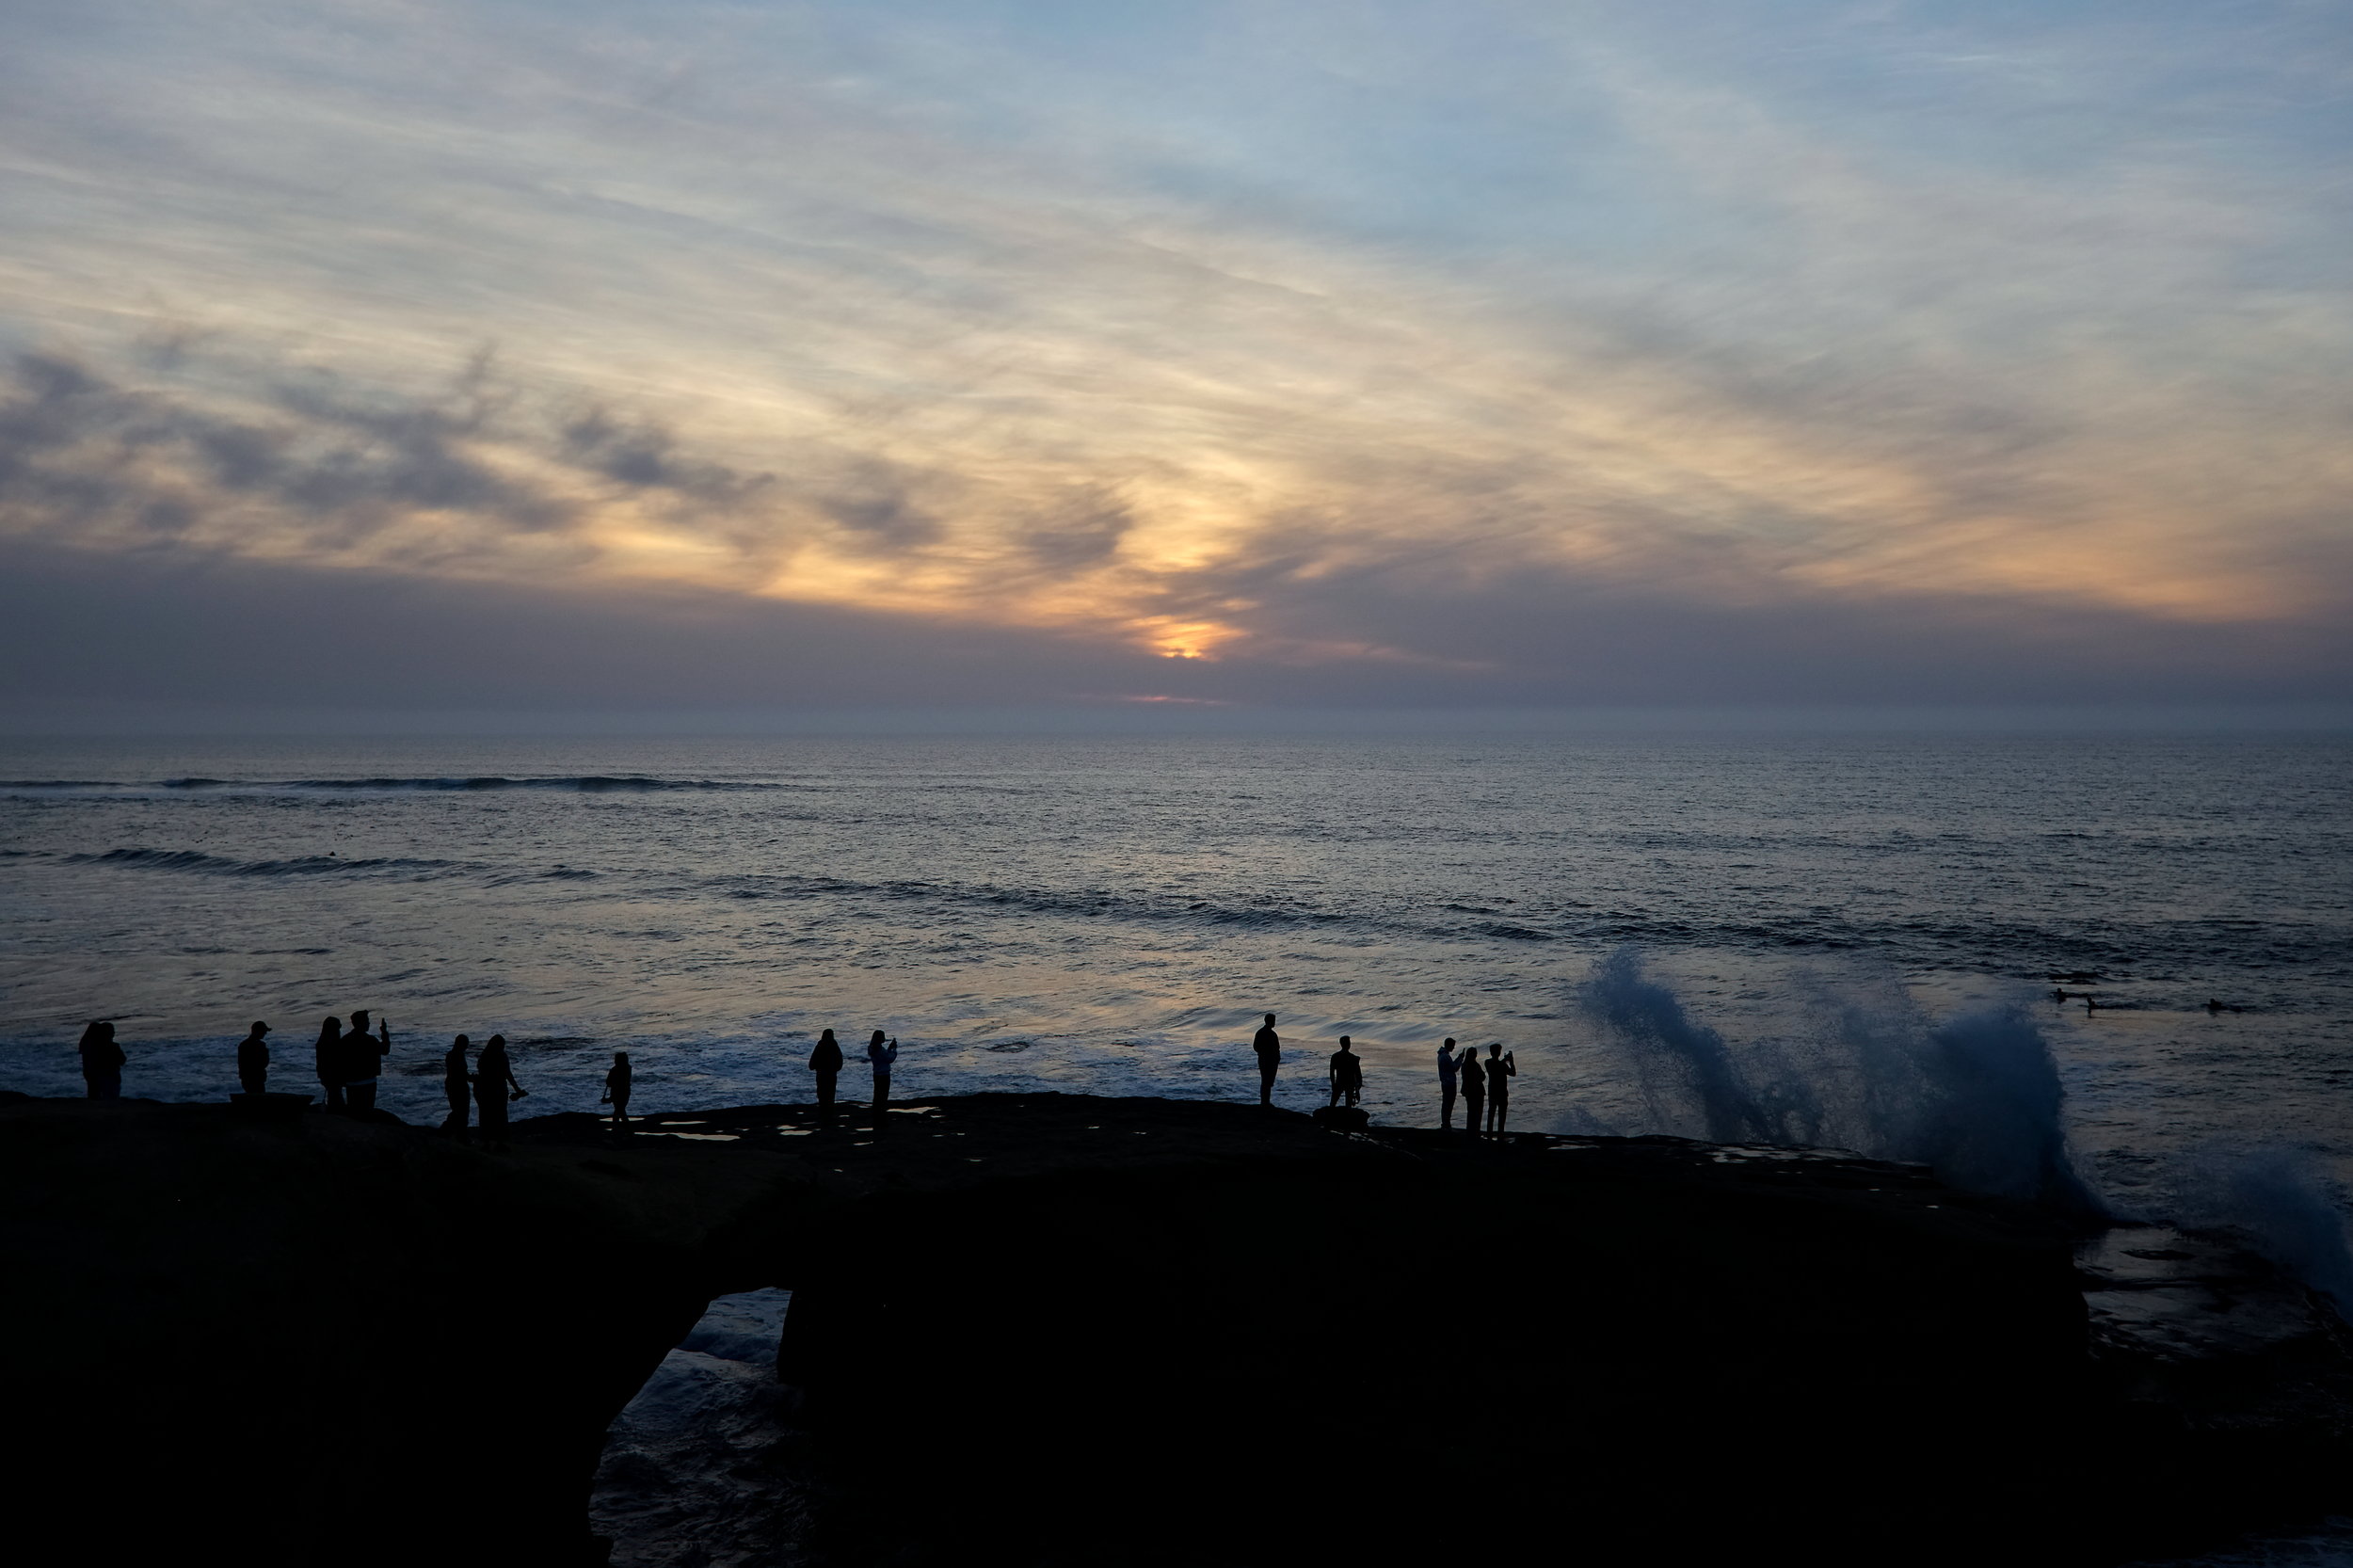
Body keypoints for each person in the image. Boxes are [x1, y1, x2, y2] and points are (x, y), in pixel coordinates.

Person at [475, 1034, 524, 1150]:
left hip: (485, 1090)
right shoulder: (502, 1056)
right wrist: (517, 1089)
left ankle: (486, 1143)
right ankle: (499, 1143)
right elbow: (508, 1074)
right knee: (500, 1116)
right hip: (499, 1089)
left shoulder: (484, 1056)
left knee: (486, 1116)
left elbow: (481, 1074)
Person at [342, 1010, 389, 1113]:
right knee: (367, 1113)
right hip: (368, 1082)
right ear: (361, 1023)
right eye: (367, 1021)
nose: (369, 1023)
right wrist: (384, 1032)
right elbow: (385, 1050)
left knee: (354, 1113)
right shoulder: (370, 1040)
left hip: (351, 1083)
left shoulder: (345, 1040)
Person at [77, 1020, 124, 1100]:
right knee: (110, 1097)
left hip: (92, 1074)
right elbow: (122, 1060)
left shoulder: (88, 1047)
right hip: (109, 1076)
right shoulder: (112, 1047)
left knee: (94, 1095)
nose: (114, 1033)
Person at [808, 1029, 845, 1125]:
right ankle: (829, 1115)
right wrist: (835, 1068)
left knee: (822, 1094)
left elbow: (812, 1064)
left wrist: (815, 1066)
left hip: (821, 1074)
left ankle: (823, 1114)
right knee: (830, 1094)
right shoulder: (834, 1046)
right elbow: (840, 1061)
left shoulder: (820, 1046)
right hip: (831, 1074)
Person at [441, 1035, 472, 1139]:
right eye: (466, 1043)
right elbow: (460, 1072)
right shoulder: (457, 1055)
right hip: (458, 1086)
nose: (467, 1046)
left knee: (458, 1110)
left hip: (453, 1085)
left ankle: (452, 1131)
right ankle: (458, 1134)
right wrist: (471, 1078)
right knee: (461, 1111)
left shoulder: (453, 1054)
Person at [314, 1016, 346, 1111]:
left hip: (326, 1076)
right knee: (336, 1096)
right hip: (333, 1075)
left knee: (334, 1095)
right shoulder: (333, 1043)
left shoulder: (322, 1042)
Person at [1483, 1043, 1516, 1136]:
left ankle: (1489, 1133)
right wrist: (1511, 1061)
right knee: (1502, 1115)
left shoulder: (1487, 1062)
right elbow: (1513, 1073)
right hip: (1502, 1092)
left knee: (1491, 1113)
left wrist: (1505, 1060)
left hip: (1493, 1091)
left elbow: (1496, 1064)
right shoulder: (1502, 1065)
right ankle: (1500, 1134)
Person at [867, 1030, 898, 1121]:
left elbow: (884, 1057)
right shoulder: (879, 1049)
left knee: (877, 1094)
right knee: (883, 1095)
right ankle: (880, 1115)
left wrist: (889, 1048)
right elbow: (889, 1058)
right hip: (884, 1075)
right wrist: (894, 1050)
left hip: (877, 1074)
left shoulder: (873, 1048)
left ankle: (877, 1113)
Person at [1252, 1014, 1282, 1107]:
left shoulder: (1261, 1032)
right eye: (1273, 1021)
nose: (1274, 1023)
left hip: (1267, 1060)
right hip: (1267, 1060)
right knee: (1266, 1081)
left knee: (1267, 1081)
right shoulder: (1270, 1034)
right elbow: (1256, 1047)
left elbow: (1256, 1047)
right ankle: (1265, 1102)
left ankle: (1265, 1102)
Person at [236, 1021, 270, 1097]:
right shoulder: (260, 1046)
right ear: (258, 1031)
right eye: (264, 1031)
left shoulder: (243, 1044)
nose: (265, 1033)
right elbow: (264, 1063)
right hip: (256, 1079)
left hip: (247, 1079)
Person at [600, 1051, 632, 1131]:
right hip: (625, 1092)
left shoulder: (614, 1070)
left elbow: (608, 1083)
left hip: (616, 1092)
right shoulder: (628, 1068)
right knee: (620, 1110)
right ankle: (624, 1129)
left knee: (619, 1110)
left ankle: (618, 1129)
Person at [1460, 1037, 1485, 1136]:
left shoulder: (1464, 1065)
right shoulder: (1475, 1065)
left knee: (1471, 1111)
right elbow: (1482, 1076)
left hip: (1468, 1091)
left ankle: (1470, 1130)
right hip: (1477, 1091)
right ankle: (1475, 1131)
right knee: (1477, 1112)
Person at [1328, 1036, 1363, 1109]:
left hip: (1339, 1082)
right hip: (1349, 1083)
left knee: (1333, 1104)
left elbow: (1332, 1073)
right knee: (1348, 1106)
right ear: (1349, 1044)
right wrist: (1357, 1089)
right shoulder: (1353, 1058)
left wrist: (1333, 1084)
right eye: (1349, 1042)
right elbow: (1358, 1075)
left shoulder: (1335, 1056)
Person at [1437, 1038, 1461, 1130]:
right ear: (1449, 1045)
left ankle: (1445, 1123)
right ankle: (1446, 1123)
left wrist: (1459, 1058)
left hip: (1445, 1083)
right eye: (1453, 1045)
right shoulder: (1446, 1056)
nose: (1454, 1047)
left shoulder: (1442, 1055)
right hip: (1449, 1083)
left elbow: (1451, 1066)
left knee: (1446, 1104)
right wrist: (1460, 1059)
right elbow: (1454, 1068)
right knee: (1449, 1104)